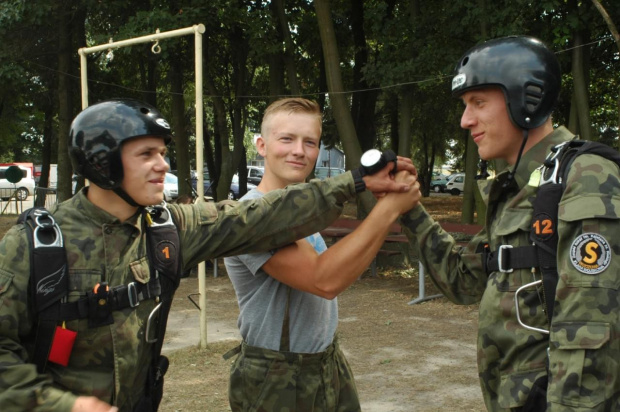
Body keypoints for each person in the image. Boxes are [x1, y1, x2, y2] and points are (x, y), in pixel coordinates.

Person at [0, 98, 416, 412]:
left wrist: (356, 181)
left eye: (163, 152)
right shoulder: (34, 246)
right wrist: (62, 406)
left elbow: (259, 215)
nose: (163, 165)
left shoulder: (169, 227)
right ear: (101, 162)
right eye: (146, 154)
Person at [401, 35, 620, 411]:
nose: (465, 120)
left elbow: (590, 337)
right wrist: (406, 208)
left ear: (526, 99)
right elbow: (464, 280)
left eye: (478, 102)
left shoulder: (586, 176)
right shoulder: (519, 188)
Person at [223, 97, 420, 411]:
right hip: (277, 376)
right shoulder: (250, 214)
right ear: (261, 145)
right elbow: (324, 279)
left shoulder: (303, 206)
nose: (299, 150)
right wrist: (389, 208)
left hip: (327, 361)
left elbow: (340, 267)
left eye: (310, 142)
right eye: (286, 138)